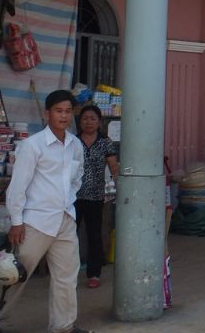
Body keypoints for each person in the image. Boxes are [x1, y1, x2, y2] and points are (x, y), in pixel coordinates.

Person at [0, 90, 93, 333]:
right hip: (35, 222)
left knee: (66, 277)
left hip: (64, 219)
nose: (63, 116)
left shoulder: (75, 145)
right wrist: (17, 221)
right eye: (58, 111)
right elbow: (18, 186)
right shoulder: (33, 146)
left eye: (67, 111)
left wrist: (68, 201)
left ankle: (63, 326)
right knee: (14, 274)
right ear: (47, 113)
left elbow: (78, 177)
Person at [75, 105, 119, 289]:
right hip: (73, 196)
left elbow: (114, 167)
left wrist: (119, 188)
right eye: (85, 118)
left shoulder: (105, 142)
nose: (89, 122)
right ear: (80, 121)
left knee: (94, 235)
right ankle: (67, 272)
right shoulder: (73, 141)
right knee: (69, 235)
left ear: (99, 122)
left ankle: (94, 273)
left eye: (93, 118)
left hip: (95, 196)